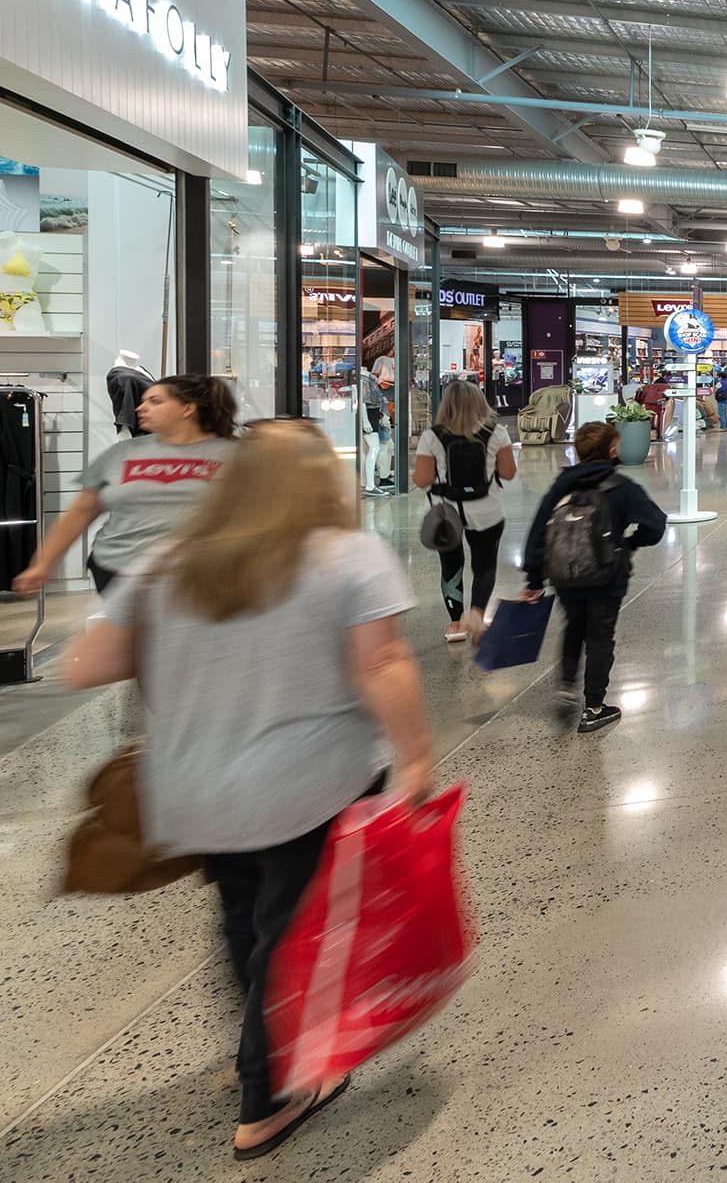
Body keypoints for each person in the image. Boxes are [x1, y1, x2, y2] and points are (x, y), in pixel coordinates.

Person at [59, 419, 433, 1161]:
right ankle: (270, 1095)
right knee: (290, 933)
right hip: (306, 784)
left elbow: (87, 666)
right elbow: (381, 664)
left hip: (192, 787)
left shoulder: (173, 559)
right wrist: (417, 757)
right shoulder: (347, 556)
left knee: (244, 922)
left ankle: (253, 1050)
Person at [13, 374, 238, 596]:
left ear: (188, 409)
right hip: (117, 571)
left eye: (155, 401)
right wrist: (43, 563)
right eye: (143, 400)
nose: (141, 408)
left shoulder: (236, 455)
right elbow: (82, 510)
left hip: (197, 576)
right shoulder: (121, 453)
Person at [519, 419, 669, 733]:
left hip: (565, 576)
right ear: (613, 449)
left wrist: (534, 580)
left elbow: (537, 533)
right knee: (600, 638)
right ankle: (594, 707)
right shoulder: (623, 488)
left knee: (574, 627)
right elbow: (655, 524)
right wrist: (629, 543)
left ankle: (565, 686)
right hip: (607, 577)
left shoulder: (562, 487)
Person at [411, 378, 520, 644]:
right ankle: (477, 615)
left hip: (445, 514)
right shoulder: (497, 433)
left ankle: (456, 623)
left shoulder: (432, 436)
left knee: (451, 566)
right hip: (487, 511)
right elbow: (508, 473)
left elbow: (421, 480)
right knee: (484, 566)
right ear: (480, 403)